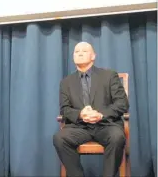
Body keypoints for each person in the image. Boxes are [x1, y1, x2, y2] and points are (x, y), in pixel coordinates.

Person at [53, 42, 129, 177]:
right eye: (76, 52)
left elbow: (122, 103)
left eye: (84, 51)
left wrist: (101, 114)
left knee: (117, 137)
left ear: (93, 56)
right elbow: (64, 109)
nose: (80, 53)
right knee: (59, 138)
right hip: (80, 127)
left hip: (106, 125)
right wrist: (81, 114)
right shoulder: (66, 82)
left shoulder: (109, 75)